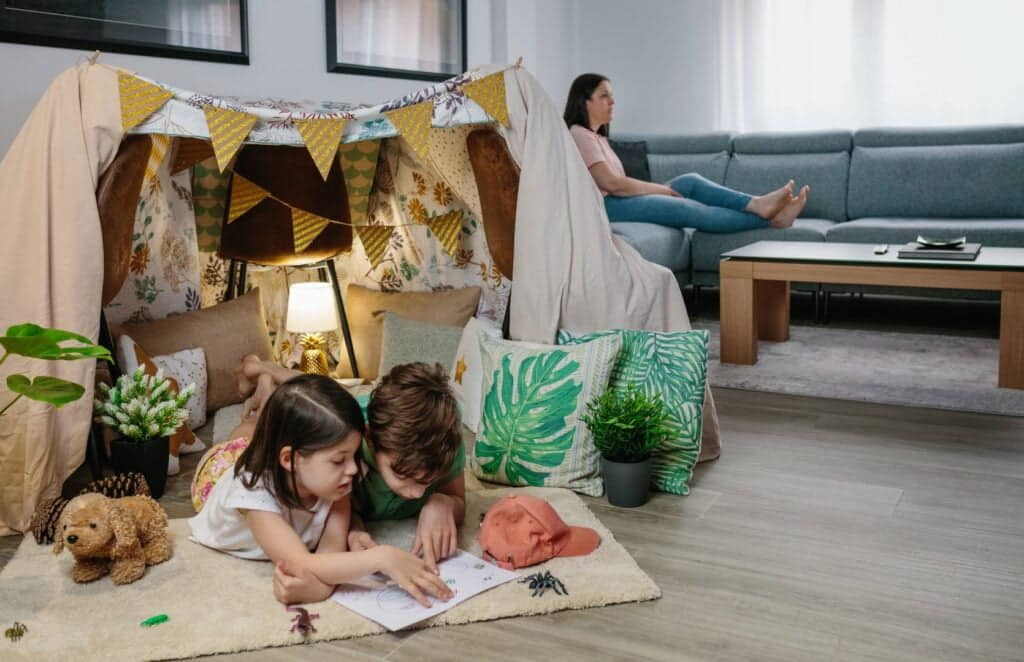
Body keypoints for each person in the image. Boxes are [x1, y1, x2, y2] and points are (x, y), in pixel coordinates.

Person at [187, 373, 454, 607]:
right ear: (290, 460)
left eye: (353, 456)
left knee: (281, 429)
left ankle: (269, 401)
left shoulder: (338, 482)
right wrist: (384, 557)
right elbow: (301, 563)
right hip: (220, 470)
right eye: (339, 460)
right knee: (243, 437)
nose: (353, 470)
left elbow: (329, 557)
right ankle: (264, 401)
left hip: (285, 460)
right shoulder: (252, 494)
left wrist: (321, 588)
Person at [564, 73, 809, 232]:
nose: (613, 102)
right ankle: (773, 220)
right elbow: (613, 184)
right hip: (608, 207)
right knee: (687, 208)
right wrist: (662, 190)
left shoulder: (598, 138)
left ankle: (756, 203)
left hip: (619, 200)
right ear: (584, 102)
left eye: (612, 96)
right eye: (604, 96)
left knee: (689, 182)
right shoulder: (578, 134)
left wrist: (663, 190)